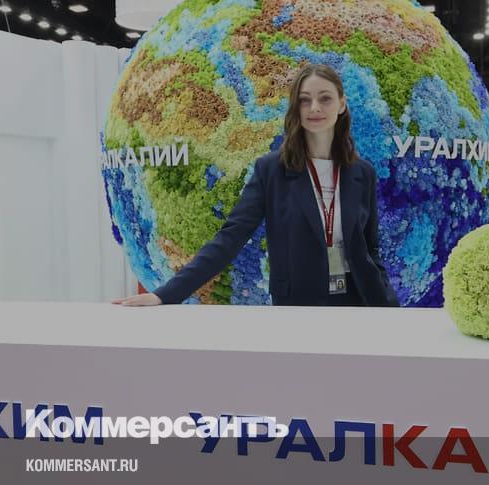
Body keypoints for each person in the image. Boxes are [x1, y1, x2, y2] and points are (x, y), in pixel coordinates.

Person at [112, 64, 399, 307]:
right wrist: (165, 295)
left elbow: (370, 250)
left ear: (342, 104)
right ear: (295, 107)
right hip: (298, 305)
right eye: (304, 100)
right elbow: (229, 239)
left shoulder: (361, 173)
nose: (314, 108)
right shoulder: (272, 171)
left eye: (325, 98)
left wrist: (388, 303)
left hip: (361, 302)